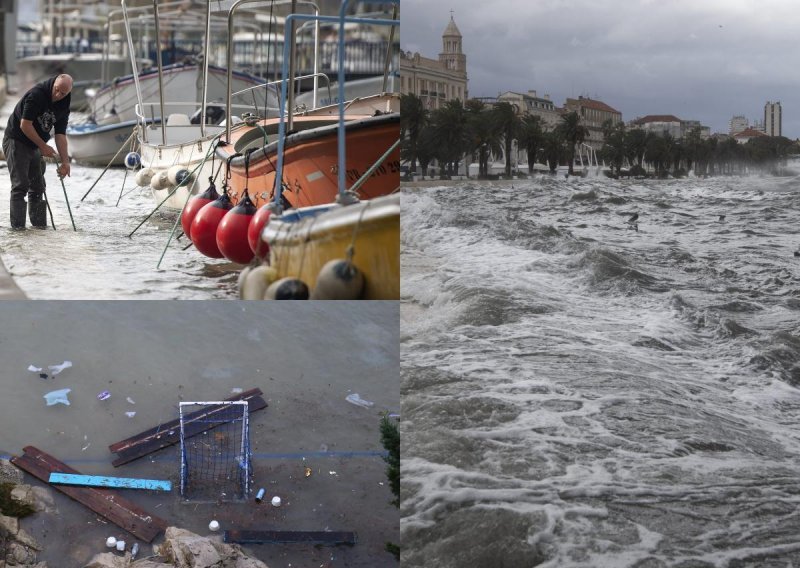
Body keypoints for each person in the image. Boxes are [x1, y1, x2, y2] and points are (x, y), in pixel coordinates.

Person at [2, 74, 72, 229]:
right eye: (57, 90)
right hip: (16, 140)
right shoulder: (37, 95)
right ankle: (18, 230)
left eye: (63, 93)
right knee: (20, 186)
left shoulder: (64, 103)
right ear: (54, 83)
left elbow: (60, 135)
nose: (58, 95)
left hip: (35, 144)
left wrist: (65, 162)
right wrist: (43, 146)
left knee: (38, 187)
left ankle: (39, 230)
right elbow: (24, 125)